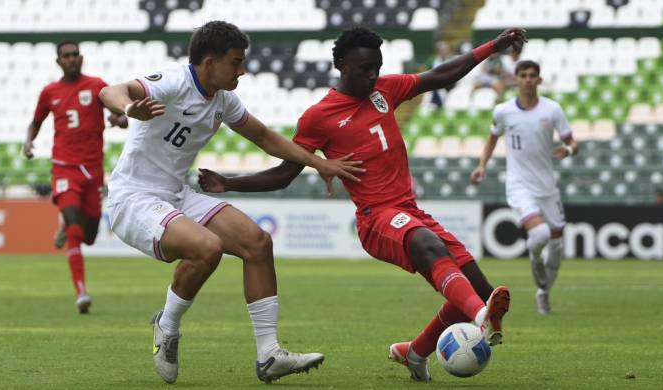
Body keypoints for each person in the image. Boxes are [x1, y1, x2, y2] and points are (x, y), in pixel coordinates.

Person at [198, 26, 527, 382]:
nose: (373, 75)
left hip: (411, 212)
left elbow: (440, 75)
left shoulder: (385, 90)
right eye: (365, 68)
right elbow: (283, 174)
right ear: (341, 64)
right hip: (376, 218)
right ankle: (481, 318)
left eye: (377, 67)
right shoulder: (318, 117)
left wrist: (492, 47)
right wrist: (229, 183)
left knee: (476, 287)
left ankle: (414, 352)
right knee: (432, 251)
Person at [97, 21, 363, 385]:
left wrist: (320, 163)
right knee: (208, 248)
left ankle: (270, 354)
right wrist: (130, 109)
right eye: (236, 63)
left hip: (175, 193)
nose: (242, 70)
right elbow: (111, 91)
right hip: (134, 197)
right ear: (209, 62)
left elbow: (265, 137)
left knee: (257, 242)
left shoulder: (223, 99)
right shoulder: (174, 81)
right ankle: (167, 325)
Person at [24, 41, 128, 314]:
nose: (71, 59)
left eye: (75, 55)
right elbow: (36, 122)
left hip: (92, 170)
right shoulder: (50, 92)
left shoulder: (97, 86)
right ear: (59, 62)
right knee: (74, 225)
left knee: (90, 235)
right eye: (66, 56)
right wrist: (28, 142)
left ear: (81, 58)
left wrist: (120, 120)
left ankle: (66, 227)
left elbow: (122, 115)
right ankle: (81, 291)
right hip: (64, 166)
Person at [470, 60, 578, 315]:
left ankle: (543, 292)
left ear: (539, 80)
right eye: (524, 75)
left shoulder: (552, 110)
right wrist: (482, 166)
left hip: (547, 188)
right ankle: (533, 259)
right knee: (539, 235)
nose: (528, 80)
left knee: (557, 248)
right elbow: (492, 139)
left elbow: (573, 142)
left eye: (533, 76)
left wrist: (569, 149)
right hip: (519, 186)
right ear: (515, 79)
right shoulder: (503, 111)